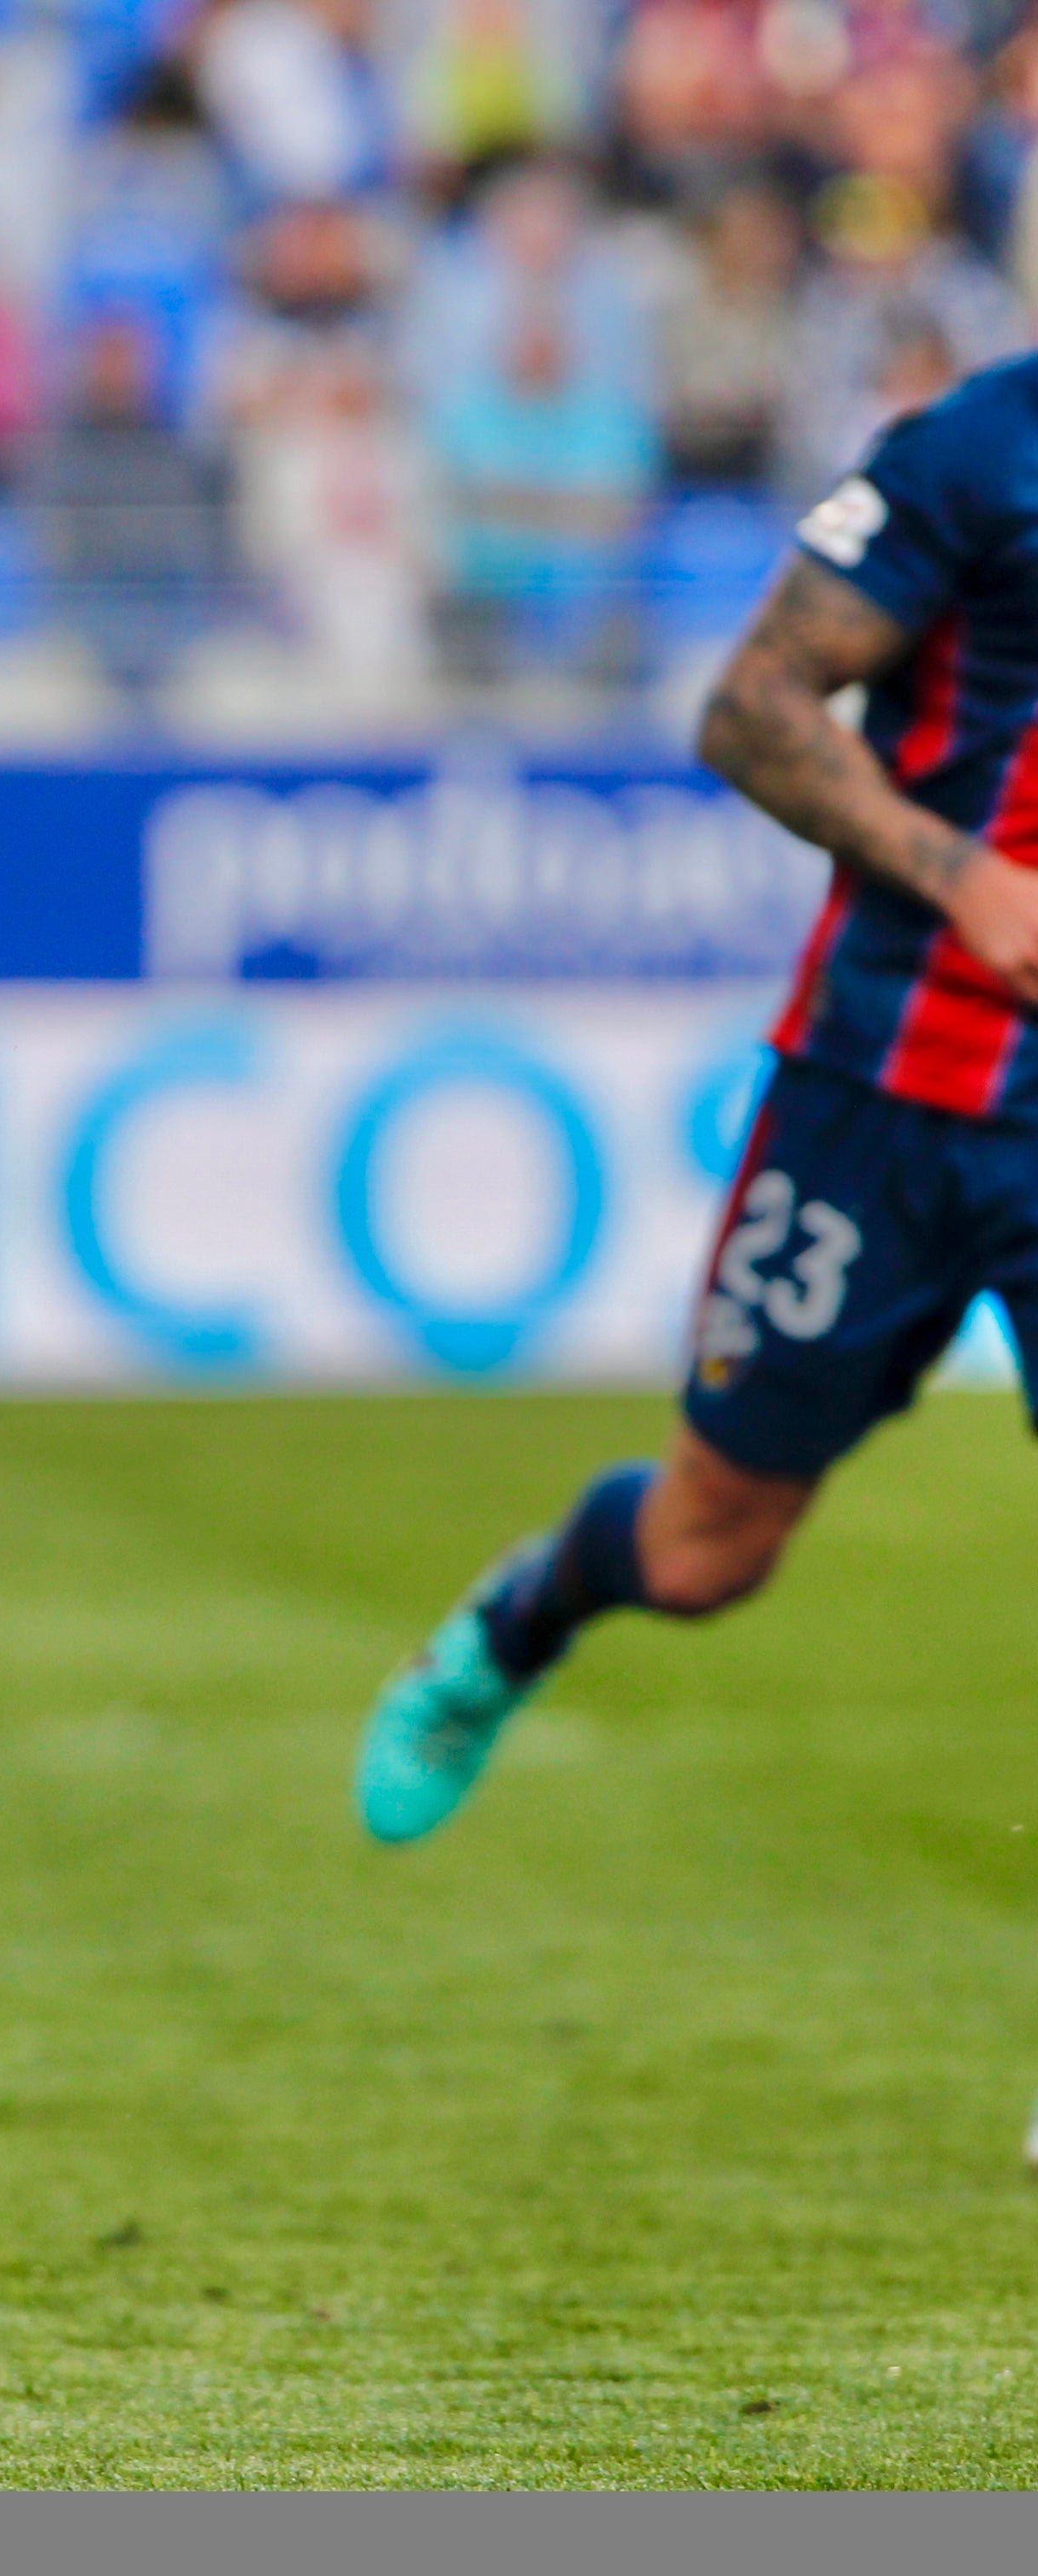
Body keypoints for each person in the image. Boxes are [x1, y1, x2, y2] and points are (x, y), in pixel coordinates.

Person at [354, 355, 1038, 1862]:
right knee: (706, 1544)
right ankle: (513, 1631)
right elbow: (748, 709)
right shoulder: (984, 452)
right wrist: (963, 877)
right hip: (884, 1088)